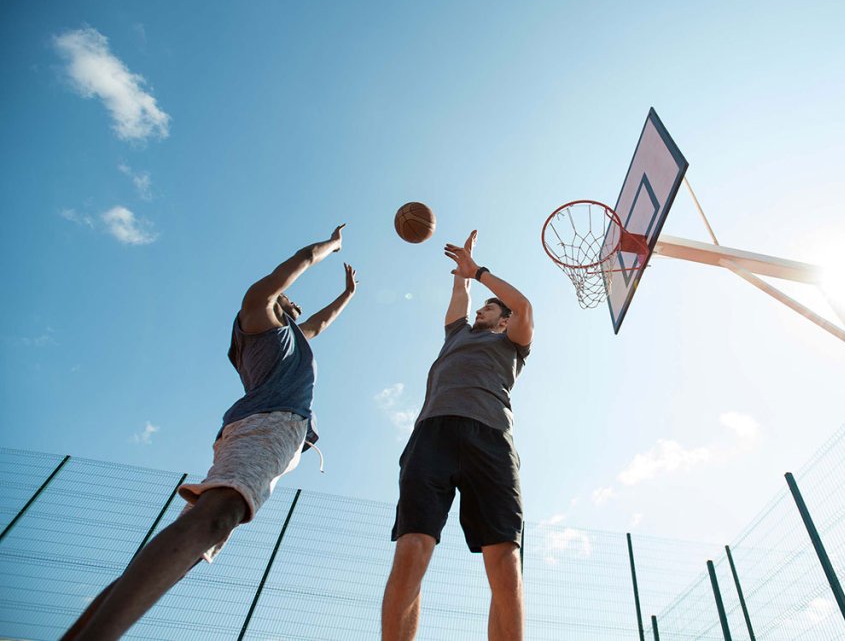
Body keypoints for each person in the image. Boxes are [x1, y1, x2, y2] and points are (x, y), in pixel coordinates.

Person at [62, 225, 357, 641]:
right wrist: (332, 245)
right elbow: (302, 260)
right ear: (277, 298)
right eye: (287, 296)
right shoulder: (256, 312)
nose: (295, 301)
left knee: (196, 544)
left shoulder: (292, 336)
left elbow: (320, 324)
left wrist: (348, 294)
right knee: (216, 517)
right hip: (266, 423)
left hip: (275, 432)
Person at [382, 230, 534, 641]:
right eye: (480, 306)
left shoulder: (513, 344)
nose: (480, 311)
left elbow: (523, 305)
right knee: (412, 548)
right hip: (433, 433)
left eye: (489, 308)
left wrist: (479, 272)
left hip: (491, 438)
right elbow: (459, 298)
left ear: (503, 321)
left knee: (503, 556)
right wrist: (461, 276)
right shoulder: (457, 334)